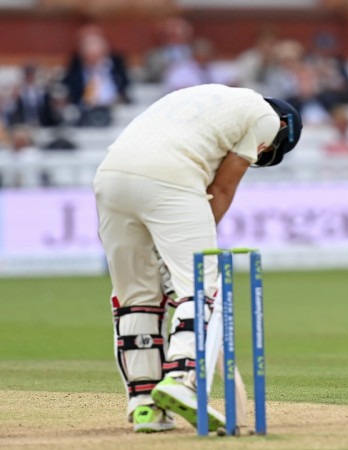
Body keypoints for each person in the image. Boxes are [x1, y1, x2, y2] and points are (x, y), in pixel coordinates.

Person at [93, 84, 302, 432]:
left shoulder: (206, 97)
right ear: (284, 128)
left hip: (110, 177)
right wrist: (185, 245)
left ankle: (145, 406)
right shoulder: (268, 119)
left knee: (136, 297)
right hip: (169, 176)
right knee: (202, 286)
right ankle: (181, 378)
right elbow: (221, 188)